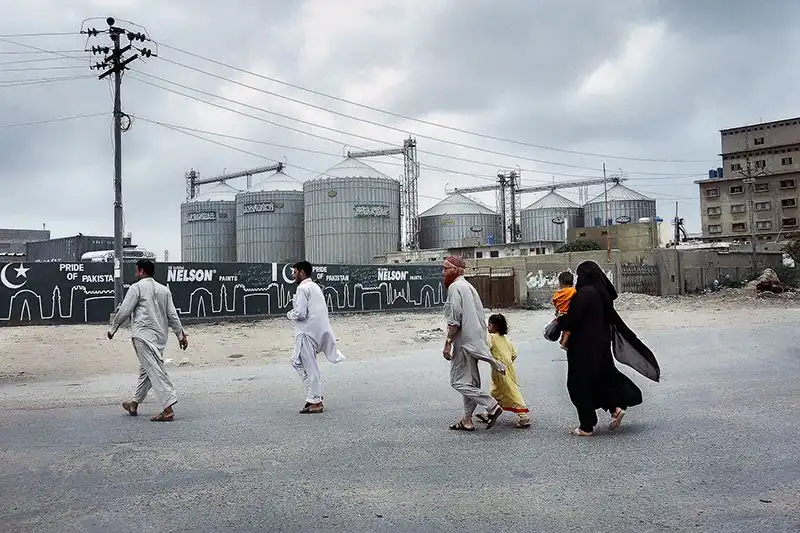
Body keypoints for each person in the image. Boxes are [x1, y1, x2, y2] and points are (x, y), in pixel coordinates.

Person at [556, 260, 660, 436]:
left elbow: (572, 320)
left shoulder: (584, 294)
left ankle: (586, 426)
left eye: (580, 275)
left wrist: (559, 320)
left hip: (583, 349)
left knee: (578, 385)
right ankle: (615, 408)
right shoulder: (601, 293)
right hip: (602, 345)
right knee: (600, 380)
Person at [107, 259, 188, 422]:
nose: (135, 273)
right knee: (146, 371)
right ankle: (134, 403)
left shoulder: (136, 288)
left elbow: (124, 311)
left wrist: (112, 328)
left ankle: (168, 408)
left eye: (137, 271)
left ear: (142, 271)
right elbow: (172, 315)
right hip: (159, 338)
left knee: (154, 370)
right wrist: (180, 335)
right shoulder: (164, 290)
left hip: (142, 336)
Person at [442, 255, 507, 432]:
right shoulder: (469, 287)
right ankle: (467, 420)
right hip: (474, 341)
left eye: (446, 269)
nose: (443, 272)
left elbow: (455, 320)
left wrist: (448, 343)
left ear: (455, 270)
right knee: (470, 382)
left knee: (457, 382)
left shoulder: (456, 287)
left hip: (463, 343)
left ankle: (491, 406)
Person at [287, 260, 345, 414]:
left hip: (305, 334)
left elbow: (300, 313)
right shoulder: (315, 287)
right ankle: (313, 395)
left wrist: (289, 314)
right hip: (317, 332)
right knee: (298, 361)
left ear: (301, 272)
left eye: (294, 272)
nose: (293, 275)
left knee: (306, 365)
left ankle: (315, 399)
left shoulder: (302, 288)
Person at [475, 313, 531, 429]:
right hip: (509, 368)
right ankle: (489, 413)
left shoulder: (491, 337)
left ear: (494, 326)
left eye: (489, 325)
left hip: (499, 369)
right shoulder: (506, 339)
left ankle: (523, 416)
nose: (488, 327)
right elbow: (514, 354)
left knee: (510, 391)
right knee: (496, 391)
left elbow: (486, 347)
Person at [553, 271, 576, 350]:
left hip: (560, 314)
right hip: (567, 315)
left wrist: (557, 310)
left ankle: (561, 340)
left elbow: (555, 301)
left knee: (564, 329)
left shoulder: (558, 293)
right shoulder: (572, 291)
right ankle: (564, 344)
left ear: (560, 282)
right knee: (568, 331)